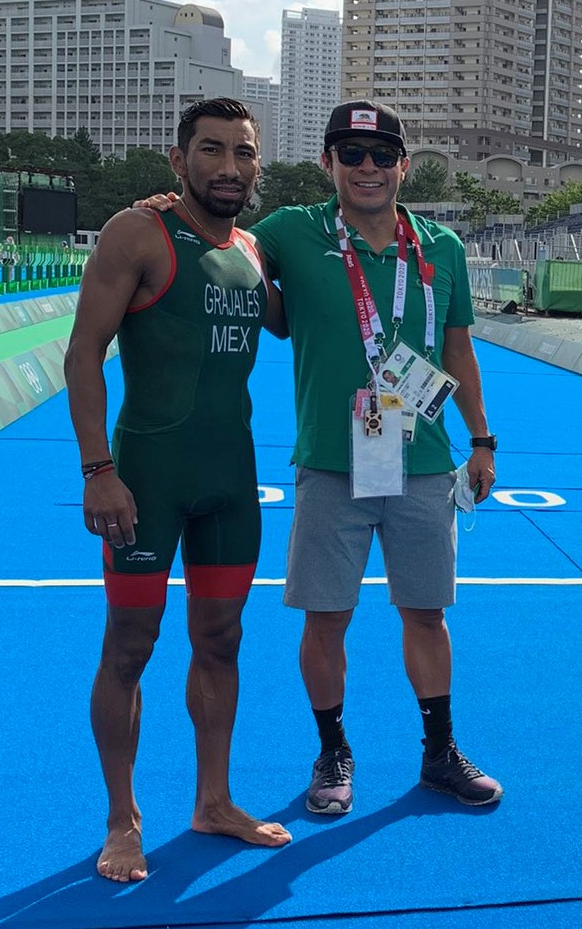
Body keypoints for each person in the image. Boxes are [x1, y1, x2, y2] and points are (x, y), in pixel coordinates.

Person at [246, 100, 501, 816]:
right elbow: (219, 238)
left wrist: (480, 440)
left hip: (421, 460)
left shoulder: (440, 246)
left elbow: (458, 350)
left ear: (402, 166)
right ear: (327, 163)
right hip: (333, 459)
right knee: (326, 618)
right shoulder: (292, 232)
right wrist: (168, 206)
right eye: (350, 155)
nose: (366, 168)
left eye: (381, 155)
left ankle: (438, 752)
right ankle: (331, 751)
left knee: (426, 612)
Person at [64, 97, 291, 883]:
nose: (229, 167)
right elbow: (83, 354)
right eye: (212, 151)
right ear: (178, 159)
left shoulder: (257, 250)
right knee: (130, 646)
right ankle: (122, 818)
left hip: (231, 481)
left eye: (244, 153)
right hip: (146, 479)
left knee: (222, 639)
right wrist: (99, 469)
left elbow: (302, 320)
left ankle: (214, 801)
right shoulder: (140, 233)